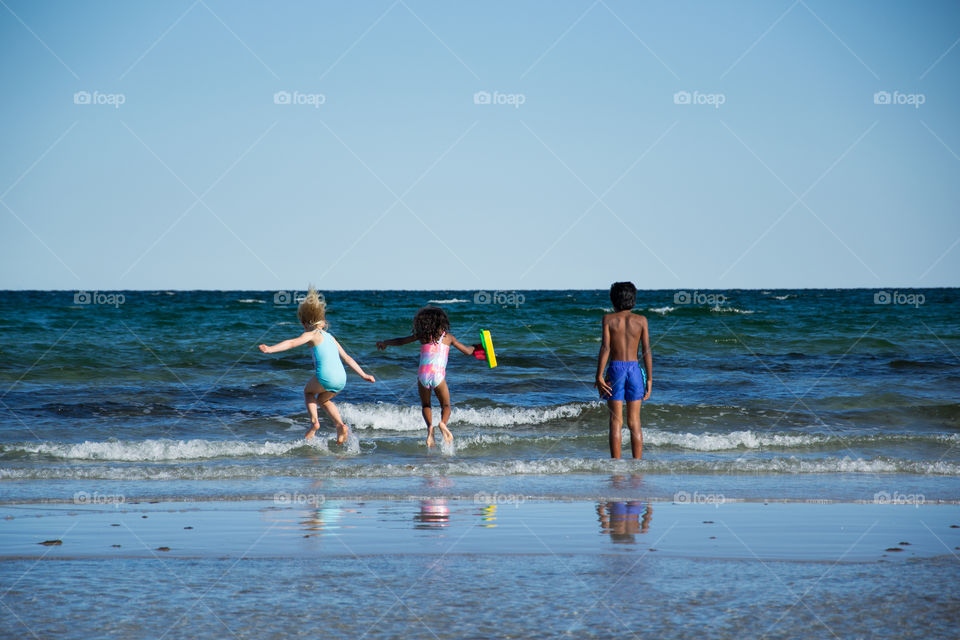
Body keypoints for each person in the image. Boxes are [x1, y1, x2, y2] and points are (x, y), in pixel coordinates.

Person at [259, 287, 375, 442]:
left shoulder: (311, 334)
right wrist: (364, 375)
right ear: (323, 321)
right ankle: (340, 426)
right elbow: (347, 358)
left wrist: (271, 349)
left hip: (325, 377)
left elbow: (292, 342)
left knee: (308, 392)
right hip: (341, 379)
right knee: (323, 400)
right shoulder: (330, 337)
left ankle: (314, 422)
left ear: (304, 323)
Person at [376, 306, 479, 448]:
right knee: (446, 405)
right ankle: (443, 423)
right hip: (438, 375)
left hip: (423, 375)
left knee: (426, 405)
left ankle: (430, 428)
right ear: (443, 322)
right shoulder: (448, 338)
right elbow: (467, 351)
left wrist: (385, 342)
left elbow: (401, 341)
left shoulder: (422, 336)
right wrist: (476, 347)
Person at [595, 281, 652, 459]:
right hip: (635, 370)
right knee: (635, 422)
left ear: (613, 300)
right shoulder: (641, 320)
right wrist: (649, 379)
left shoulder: (608, 319)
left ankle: (616, 466)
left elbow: (606, 348)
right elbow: (646, 350)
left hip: (616, 369)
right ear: (633, 300)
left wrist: (599, 375)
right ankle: (637, 465)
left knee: (615, 421)